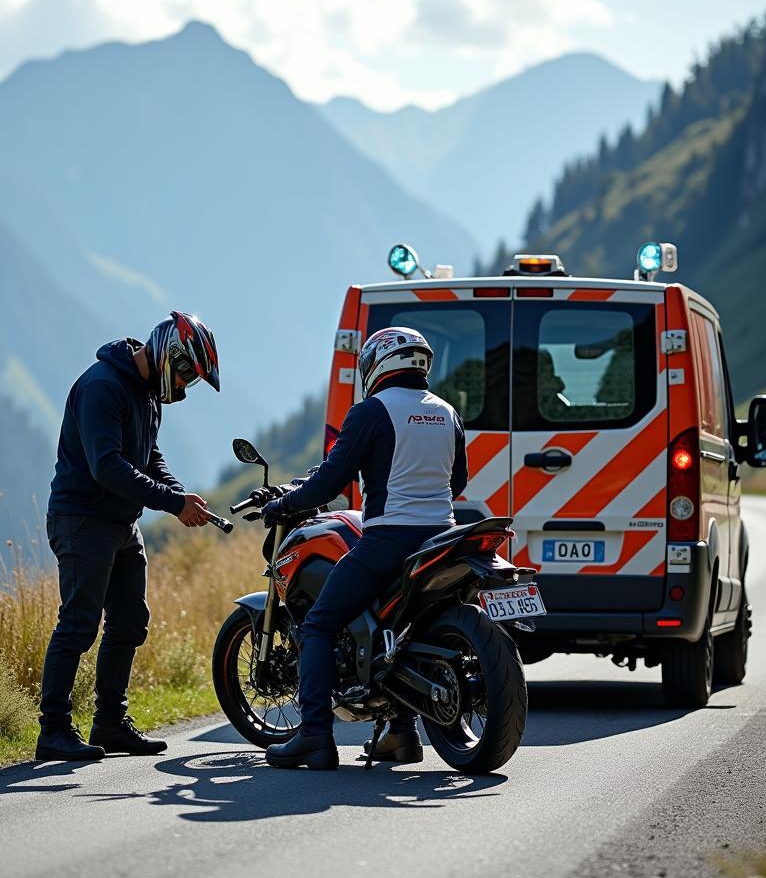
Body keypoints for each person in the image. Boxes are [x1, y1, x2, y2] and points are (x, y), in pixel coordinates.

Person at [262, 326, 467, 770]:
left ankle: (314, 736)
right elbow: (457, 482)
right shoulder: (448, 413)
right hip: (442, 537)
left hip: (388, 540)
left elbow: (331, 481)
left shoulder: (371, 412)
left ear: (377, 365)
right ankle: (402, 733)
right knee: (404, 631)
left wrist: (285, 504)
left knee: (318, 625)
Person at [35, 312, 220, 762]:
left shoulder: (145, 394)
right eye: (185, 375)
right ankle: (53, 731)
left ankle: (110, 723)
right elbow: (108, 466)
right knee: (78, 625)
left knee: (129, 623)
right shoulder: (103, 386)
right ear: (165, 357)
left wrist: (178, 494)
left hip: (120, 524)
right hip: (82, 521)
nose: (183, 388)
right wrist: (172, 504)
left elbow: (149, 455)